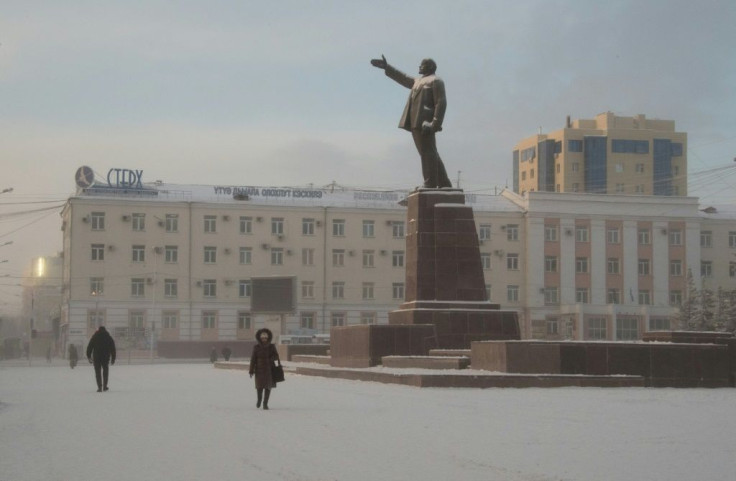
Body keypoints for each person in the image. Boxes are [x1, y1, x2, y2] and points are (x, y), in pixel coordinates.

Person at [370, 54, 453, 189]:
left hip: (426, 124)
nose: (419, 66)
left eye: (422, 64)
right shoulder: (418, 81)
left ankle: (430, 183)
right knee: (429, 153)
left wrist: (434, 124)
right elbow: (403, 78)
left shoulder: (436, 81)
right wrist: (387, 67)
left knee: (428, 153)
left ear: (430, 67)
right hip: (415, 123)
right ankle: (444, 184)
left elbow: (441, 102)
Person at [249, 328, 280, 410]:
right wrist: (251, 370)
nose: (264, 339)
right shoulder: (256, 347)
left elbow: (276, 356)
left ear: (268, 338)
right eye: (262, 338)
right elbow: (253, 359)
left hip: (269, 370)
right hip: (259, 370)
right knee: (259, 387)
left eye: (265, 338)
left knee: (268, 387)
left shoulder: (271, 346)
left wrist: (271, 359)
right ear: (260, 338)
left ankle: (265, 403)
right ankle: (259, 400)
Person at [86, 326, 116, 392]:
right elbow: (113, 348)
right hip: (105, 357)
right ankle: (105, 386)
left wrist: (89, 356)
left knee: (98, 372)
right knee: (105, 371)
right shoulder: (108, 337)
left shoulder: (95, 337)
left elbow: (89, 347)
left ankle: (99, 387)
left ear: (98, 330)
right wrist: (113, 358)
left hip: (97, 358)